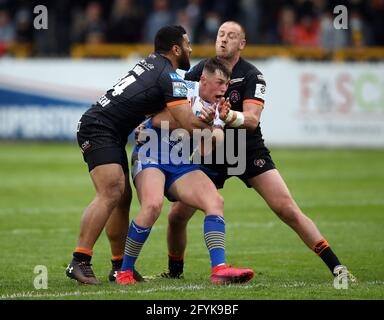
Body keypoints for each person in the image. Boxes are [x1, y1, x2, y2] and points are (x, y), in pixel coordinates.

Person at [161, 21, 356, 282]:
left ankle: (337, 268)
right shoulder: (201, 71)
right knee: (176, 216)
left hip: (247, 151)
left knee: (287, 209)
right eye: (220, 34)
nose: (223, 40)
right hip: (212, 153)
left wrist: (228, 116)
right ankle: (174, 274)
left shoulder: (252, 75)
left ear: (241, 44)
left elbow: (252, 120)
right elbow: (180, 106)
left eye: (231, 36)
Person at [66, 25, 215, 285]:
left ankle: (118, 266)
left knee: (122, 198)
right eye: (187, 44)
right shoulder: (169, 76)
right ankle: (79, 261)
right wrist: (213, 120)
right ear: (176, 48)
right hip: (100, 127)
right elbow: (186, 122)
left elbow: (153, 110)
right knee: (111, 191)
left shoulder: (151, 64)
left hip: (107, 128)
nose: (191, 49)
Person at [116, 57, 254, 285]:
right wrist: (195, 123)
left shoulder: (219, 107)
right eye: (219, 82)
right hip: (152, 154)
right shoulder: (181, 89)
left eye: (226, 84)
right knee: (152, 206)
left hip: (180, 163)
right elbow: (158, 120)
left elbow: (205, 149)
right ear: (203, 81)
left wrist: (210, 126)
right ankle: (125, 272)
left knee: (215, 202)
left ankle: (219, 269)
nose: (223, 89)